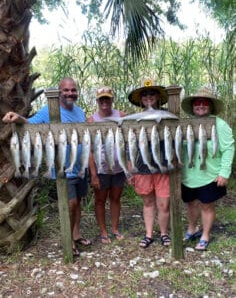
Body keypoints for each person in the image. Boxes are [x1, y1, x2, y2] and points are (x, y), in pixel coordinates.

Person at [2, 77, 91, 256]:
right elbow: (31, 124)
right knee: (71, 203)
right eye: (66, 90)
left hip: (80, 168)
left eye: (73, 90)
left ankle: (76, 234)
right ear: (59, 93)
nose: (70, 93)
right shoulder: (49, 111)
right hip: (63, 169)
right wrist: (18, 117)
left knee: (78, 202)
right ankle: (68, 241)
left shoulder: (80, 112)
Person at [181, 87, 235, 251]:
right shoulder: (185, 124)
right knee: (191, 204)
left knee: (206, 205)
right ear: (193, 106)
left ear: (210, 106)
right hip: (188, 175)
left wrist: (224, 172)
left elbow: (229, 148)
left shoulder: (219, 124)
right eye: (197, 103)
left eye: (205, 102)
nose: (201, 105)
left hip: (210, 174)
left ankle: (205, 235)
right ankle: (192, 229)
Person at [127, 78, 171, 248]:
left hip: (164, 166)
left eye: (152, 93)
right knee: (148, 202)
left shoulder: (168, 115)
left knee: (163, 203)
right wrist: (130, 168)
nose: (148, 96)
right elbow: (128, 145)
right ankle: (148, 234)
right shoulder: (134, 119)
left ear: (158, 96)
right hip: (142, 167)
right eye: (144, 94)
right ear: (140, 99)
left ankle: (164, 234)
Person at [87, 86, 126, 244]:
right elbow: (90, 150)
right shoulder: (91, 120)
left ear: (111, 100)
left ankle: (114, 228)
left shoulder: (121, 115)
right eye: (101, 99)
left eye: (107, 98)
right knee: (100, 200)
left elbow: (128, 142)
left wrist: (129, 167)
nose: (104, 102)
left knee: (115, 198)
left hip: (118, 168)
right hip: (101, 168)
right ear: (97, 101)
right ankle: (103, 231)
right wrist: (93, 174)